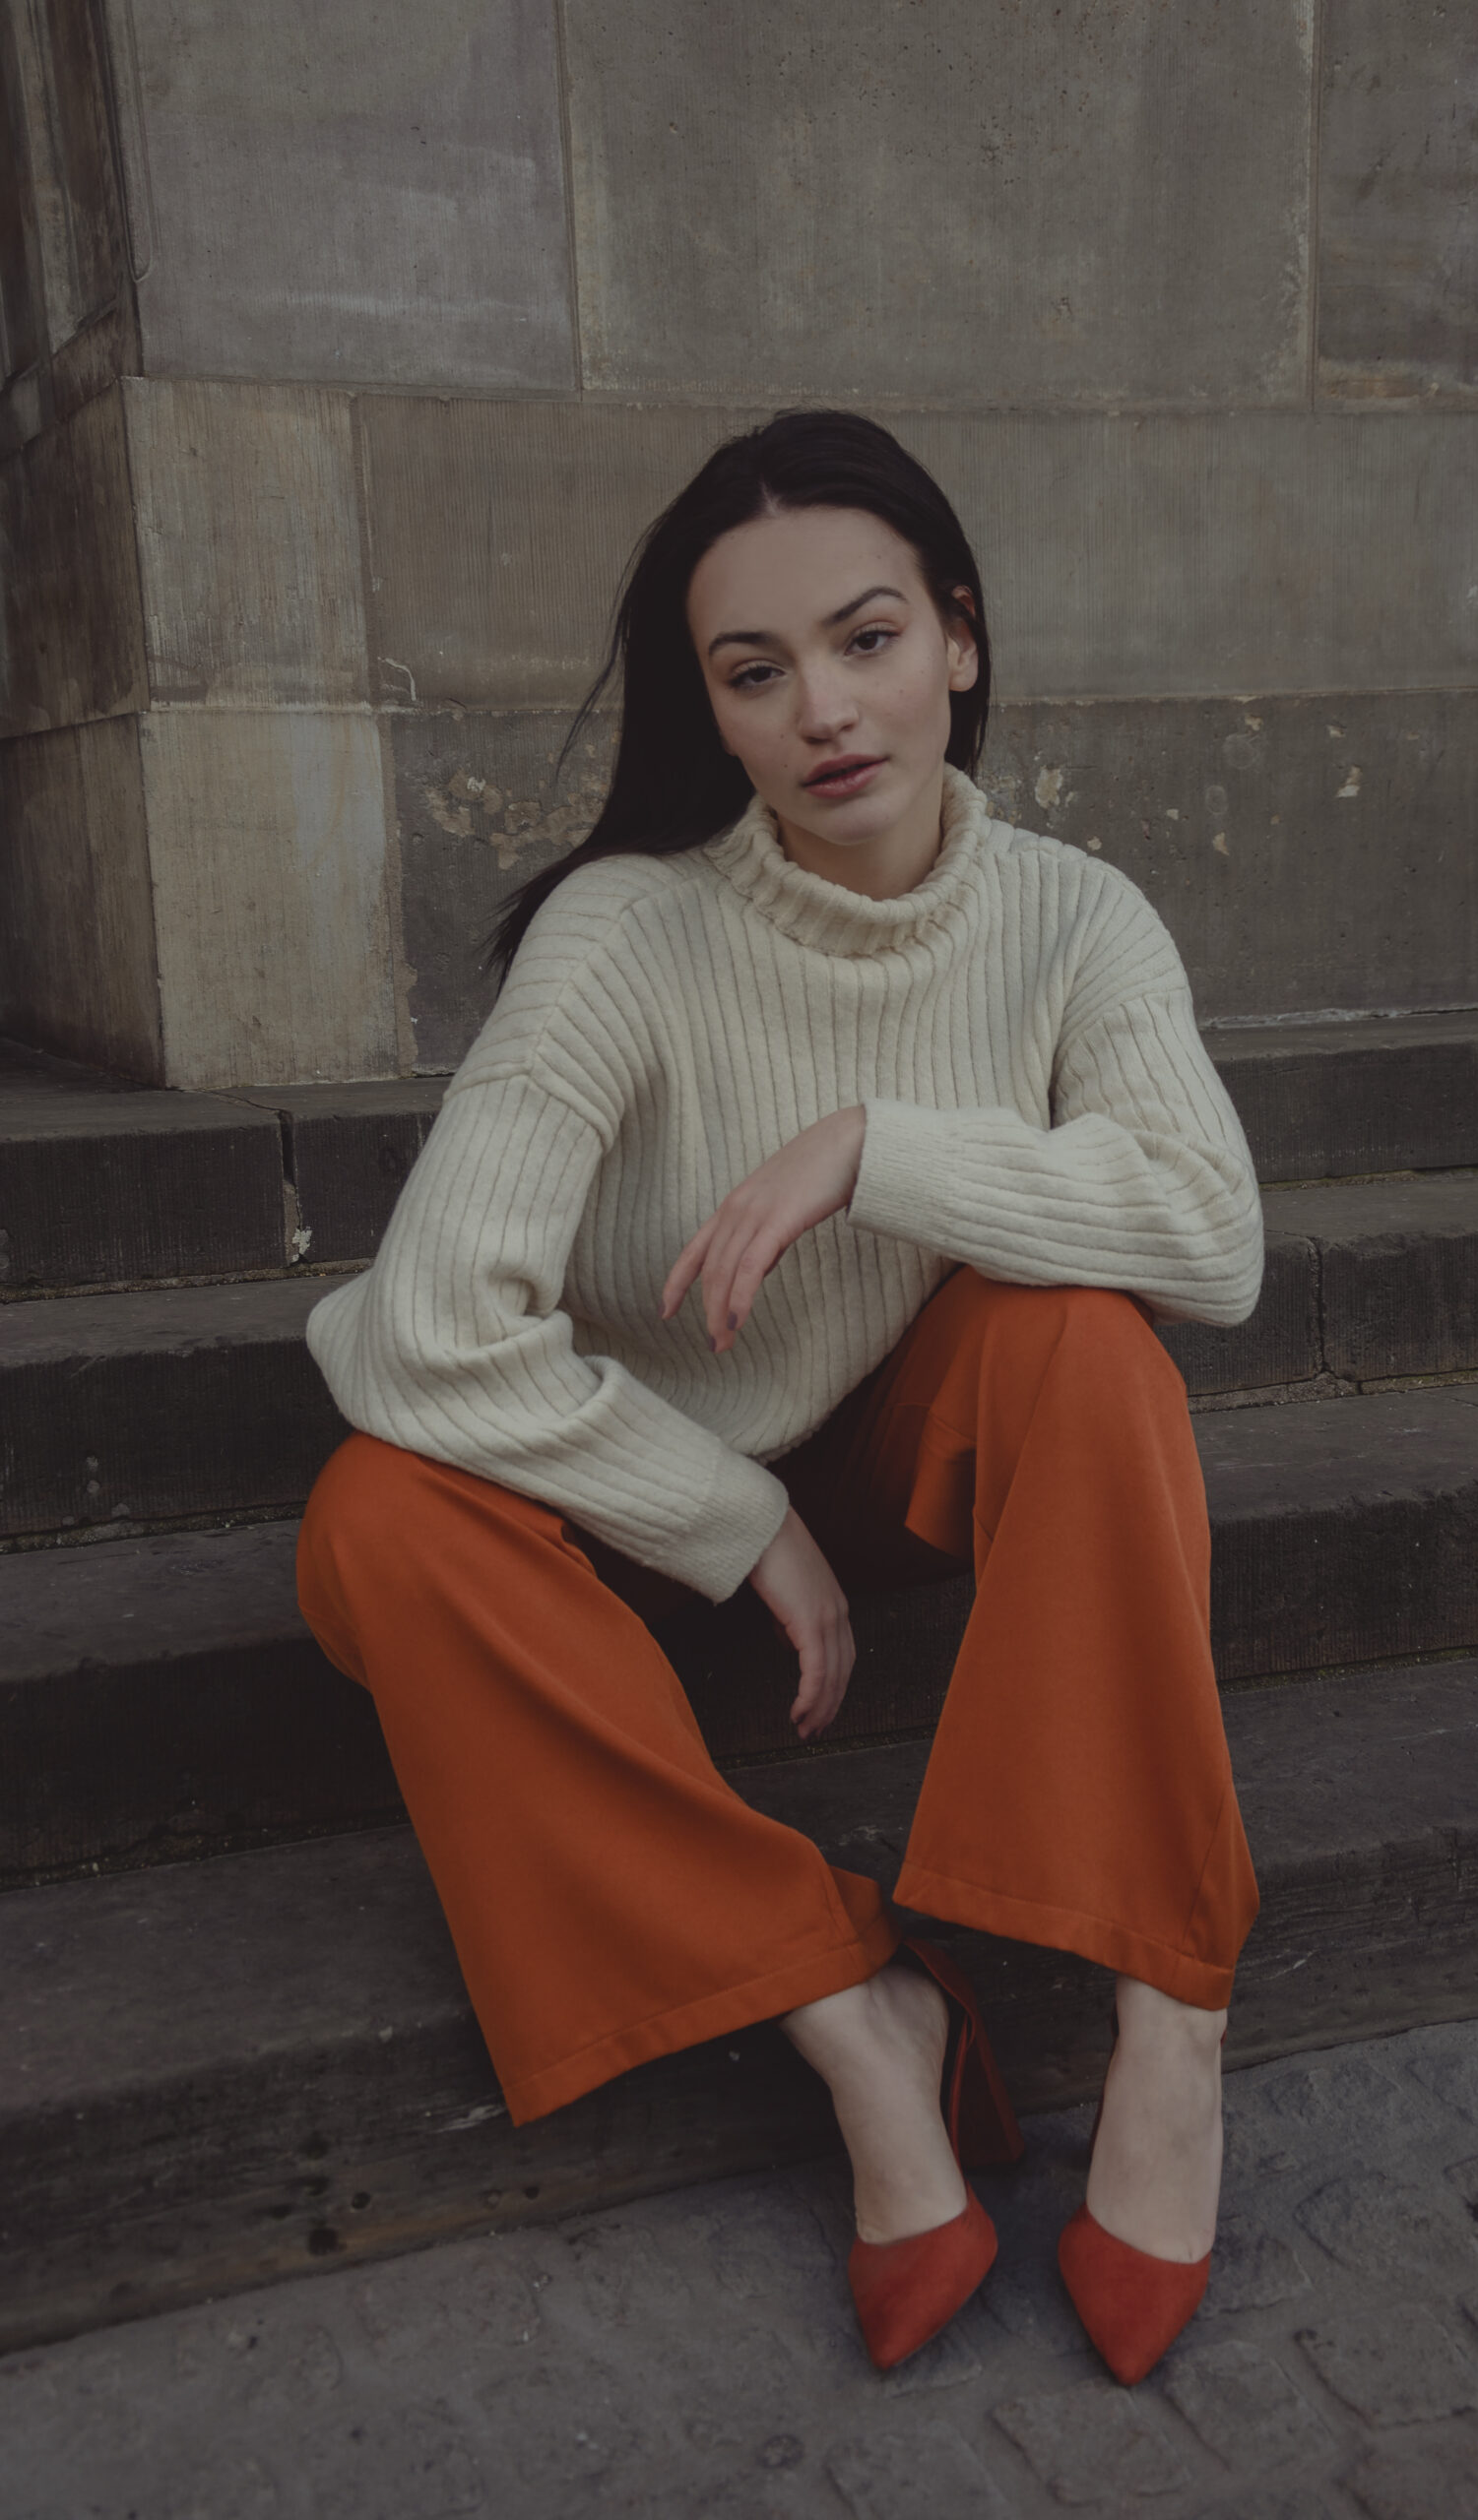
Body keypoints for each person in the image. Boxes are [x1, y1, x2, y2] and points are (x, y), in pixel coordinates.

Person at [296, 410, 1263, 2380]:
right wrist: (731, 1522)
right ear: (712, 713)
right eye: (755, 672)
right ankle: (848, 2005)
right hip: (623, 1474)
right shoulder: (623, 934)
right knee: (371, 1524)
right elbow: (418, 1333)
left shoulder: (1074, 917)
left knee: (1086, 1337)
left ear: (959, 643)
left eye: (867, 637)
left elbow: (1206, 1231)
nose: (823, 709)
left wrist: (875, 1148)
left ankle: (1171, 1996)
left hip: (898, 1428)